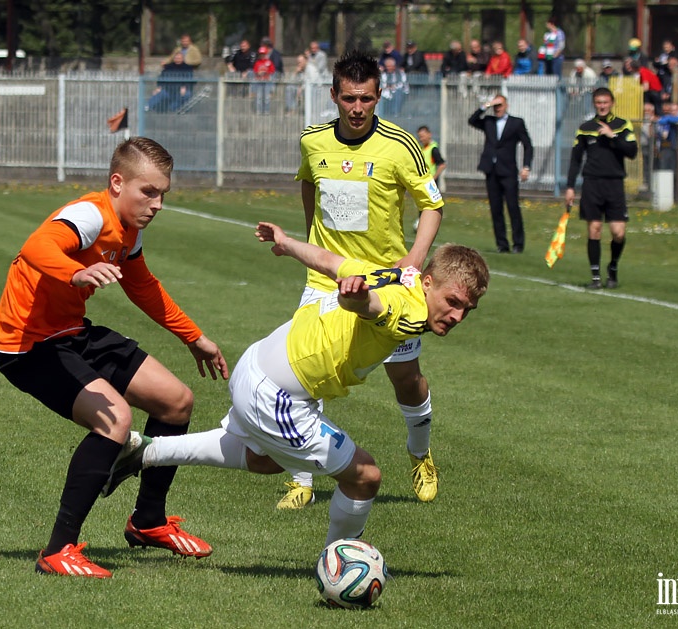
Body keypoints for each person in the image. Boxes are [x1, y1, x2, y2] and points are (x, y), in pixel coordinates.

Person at [103, 222, 490, 549]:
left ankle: (145, 451)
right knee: (365, 476)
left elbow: (329, 261)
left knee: (268, 459)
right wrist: (355, 299)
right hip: (277, 397)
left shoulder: (391, 273)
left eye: (467, 310)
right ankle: (340, 562)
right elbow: (373, 307)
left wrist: (286, 244)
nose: (456, 315)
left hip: (255, 365)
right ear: (427, 283)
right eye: (452, 301)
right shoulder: (407, 311)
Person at [0, 137, 230, 578]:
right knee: (115, 421)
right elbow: (36, 246)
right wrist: (76, 271)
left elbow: (142, 286)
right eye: (149, 192)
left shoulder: (129, 230)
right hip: (28, 345)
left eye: (163, 194)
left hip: (73, 332)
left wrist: (193, 337)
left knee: (176, 401)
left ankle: (148, 522)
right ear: (117, 183)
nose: (157, 204)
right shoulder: (88, 215)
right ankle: (58, 550)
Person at [284, 50, 446, 510]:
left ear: (379, 96)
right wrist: (319, 249)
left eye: (368, 99)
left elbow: (431, 205)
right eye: (350, 98)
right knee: (303, 376)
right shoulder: (312, 141)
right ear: (334, 95)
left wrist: (414, 259)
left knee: (406, 380)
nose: (358, 108)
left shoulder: (401, 145)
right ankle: (301, 479)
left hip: (387, 282)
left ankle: (420, 455)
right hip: (325, 281)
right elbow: (309, 184)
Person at [564, 87, 638, 289]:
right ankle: (596, 277)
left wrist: (612, 136)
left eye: (605, 102)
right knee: (594, 229)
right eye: (598, 102)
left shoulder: (622, 125)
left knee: (618, 232)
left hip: (614, 184)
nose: (602, 106)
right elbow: (575, 160)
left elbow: (632, 151)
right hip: (592, 183)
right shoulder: (586, 127)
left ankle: (612, 267)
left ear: (612, 103)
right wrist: (570, 187)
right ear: (594, 104)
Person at [468, 94, 534, 253]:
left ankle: (518, 244)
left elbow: (528, 145)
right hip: (491, 170)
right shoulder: (489, 121)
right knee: (495, 209)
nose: (498, 109)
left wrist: (526, 166)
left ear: (506, 106)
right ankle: (502, 244)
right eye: (496, 106)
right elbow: (472, 120)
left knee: (513, 207)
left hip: (508, 170)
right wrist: (486, 105)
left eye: (500, 105)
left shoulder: (516, 123)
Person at [656, 101, 678, 200]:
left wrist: (665, 118)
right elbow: (662, 125)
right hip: (674, 148)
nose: (673, 112)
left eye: (675, 110)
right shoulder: (670, 120)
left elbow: (677, 120)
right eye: (672, 110)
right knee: (674, 171)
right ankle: (675, 195)